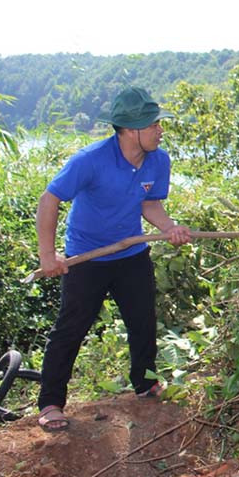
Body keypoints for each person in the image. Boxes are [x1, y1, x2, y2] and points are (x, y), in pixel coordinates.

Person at [35, 87, 191, 432]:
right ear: (131, 129)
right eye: (153, 125)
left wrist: (170, 228)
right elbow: (49, 200)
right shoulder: (90, 160)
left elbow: (149, 204)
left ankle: (145, 383)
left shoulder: (158, 160)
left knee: (143, 321)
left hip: (131, 252)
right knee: (71, 329)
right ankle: (50, 402)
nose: (160, 130)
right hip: (87, 257)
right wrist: (48, 255)